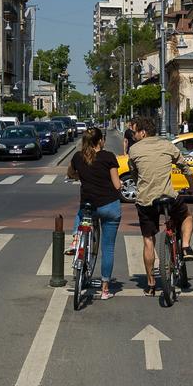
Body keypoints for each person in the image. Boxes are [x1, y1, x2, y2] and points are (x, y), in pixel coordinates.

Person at [128, 116, 193, 296]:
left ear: (143, 132)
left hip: (146, 201)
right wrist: (192, 186)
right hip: (168, 197)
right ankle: (186, 247)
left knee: (148, 240)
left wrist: (142, 184)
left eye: (135, 131)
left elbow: (134, 173)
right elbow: (185, 167)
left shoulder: (134, 150)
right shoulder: (168, 145)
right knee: (187, 217)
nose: (133, 134)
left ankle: (151, 284)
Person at [66, 127, 122, 300]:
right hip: (109, 206)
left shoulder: (78, 156)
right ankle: (105, 290)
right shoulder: (109, 157)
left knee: (82, 212)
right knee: (108, 248)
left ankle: (76, 239)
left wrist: (82, 177)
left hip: (90, 205)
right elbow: (117, 185)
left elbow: (70, 173)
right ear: (100, 141)